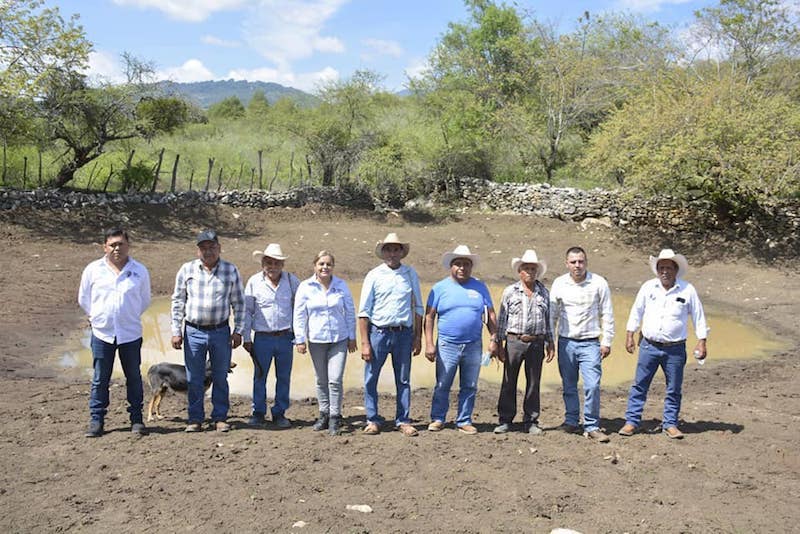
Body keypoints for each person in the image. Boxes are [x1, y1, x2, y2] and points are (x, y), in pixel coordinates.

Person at [619, 249, 708, 440]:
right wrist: (629, 335)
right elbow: (637, 311)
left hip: (675, 348)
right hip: (649, 346)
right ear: (657, 270)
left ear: (676, 270)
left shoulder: (687, 290)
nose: (665, 271)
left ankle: (670, 424)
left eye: (669, 267)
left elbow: (699, 317)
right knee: (639, 385)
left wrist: (702, 342)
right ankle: (632, 421)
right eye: (661, 268)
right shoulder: (648, 288)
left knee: (674, 388)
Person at [79, 228, 151, 437]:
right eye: (113, 245)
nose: (117, 248)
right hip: (102, 333)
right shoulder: (93, 270)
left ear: (128, 245)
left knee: (134, 377)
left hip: (130, 333)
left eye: (121, 244)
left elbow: (144, 300)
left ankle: (136, 420)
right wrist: (98, 317)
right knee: (101, 377)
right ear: (105, 247)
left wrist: (126, 316)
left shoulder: (139, 271)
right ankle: (97, 420)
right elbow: (84, 298)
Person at [170, 230, 244, 433]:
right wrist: (176, 330)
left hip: (220, 331)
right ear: (197, 250)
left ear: (219, 248)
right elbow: (178, 301)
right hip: (193, 332)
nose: (208, 251)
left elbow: (239, 303)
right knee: (194, 378)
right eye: (204, 247)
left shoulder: (230, 270)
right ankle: (195, 419)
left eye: (212, 247)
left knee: (220, 376)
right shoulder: (187, 270)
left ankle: (220, 417)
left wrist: (239, 330)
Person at [425, 245, 497, 435]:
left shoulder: (480, 287)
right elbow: (429, 316)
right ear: (451, 266)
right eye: (458, 264)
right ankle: (438, 418)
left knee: (470, 385)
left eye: (466, 264)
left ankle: (464, 420)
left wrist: (494, 338)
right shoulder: (439, 288)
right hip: (447, 344)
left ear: (471, 267)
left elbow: (490, 314)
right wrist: (429, 343)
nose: (462, 268)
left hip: (473, 344)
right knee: (443, 383)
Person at [358, 233, 424, 437]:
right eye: (389, 249)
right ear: (383, 252)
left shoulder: (410, 273)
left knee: (403, 379)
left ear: (402, 252)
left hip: (403, 333)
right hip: (379, 332)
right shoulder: (374, 275)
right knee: (371, 377)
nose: (392, 253)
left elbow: (418, 306)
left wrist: (418, 336)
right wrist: (365, 342)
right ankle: (372, 419)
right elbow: (363, 311)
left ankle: (403, 420)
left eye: (396, 249)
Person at [549, 246, 615, 442]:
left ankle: (592, 425)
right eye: (573, 262)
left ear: (586, 262)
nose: (577, 265)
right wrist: (550, 341)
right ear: (566, 263)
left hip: (590, 343)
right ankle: (571, 421)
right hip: (566, 342)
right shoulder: (559, 283)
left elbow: (608, 314)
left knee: (592, 385)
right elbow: (553, 315)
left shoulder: (599, 283)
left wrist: (607, 341)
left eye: (581, 261)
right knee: (568, 384)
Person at [293, 251, 357, 436]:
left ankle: (335, 416)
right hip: (316, 339)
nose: (325, 267)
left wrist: (352, 337)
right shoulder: (305, 287)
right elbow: (299, 314)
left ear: (333, 267)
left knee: (335, 379)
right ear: (315, 266)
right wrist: (300, 339)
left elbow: (350, 311)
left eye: (328, 264)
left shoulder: (341, 285)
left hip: (339, 338)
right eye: (321, 264)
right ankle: (324, 413)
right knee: (321, 379)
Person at [492, 249, 554, 435]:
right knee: (509, 381)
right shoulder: (510, 291)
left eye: (532, 268)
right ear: (519, 271)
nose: (529, 272)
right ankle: (505, 420)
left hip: (537, 342)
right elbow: (502, 319)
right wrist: (499, 343)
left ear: (537, 271)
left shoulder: (544, 292)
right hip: (514, 341)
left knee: (534, 383)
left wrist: (550, 342)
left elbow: (548, 318)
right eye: (526, 268)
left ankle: (531, 421)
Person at [242, 243, 300, 429]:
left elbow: (299, 311)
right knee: (260, 376)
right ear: (262, 264)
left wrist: (299, 337)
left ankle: (279, 413)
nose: (272, 267)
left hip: (285, 337)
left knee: (283, 377)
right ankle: (258, 413)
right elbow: (247, 311)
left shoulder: (292, 282)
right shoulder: (253, 282)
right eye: (268, 262)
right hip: (262, 338)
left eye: (276, 263)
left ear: (282, 264)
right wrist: (247, 337)